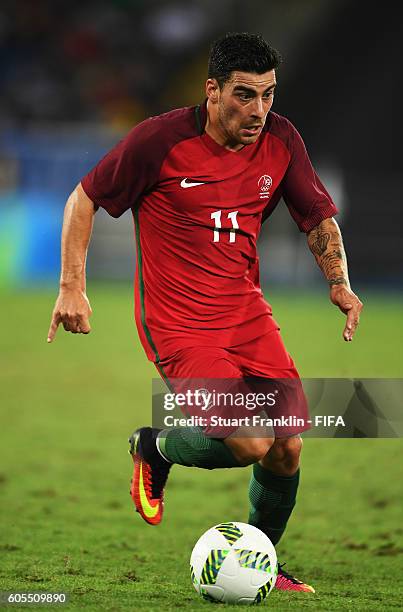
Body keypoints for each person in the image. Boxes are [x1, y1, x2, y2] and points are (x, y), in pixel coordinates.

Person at [48, 32, 363, 594]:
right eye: (245, 95)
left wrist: (339, 284)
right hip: (179, 324)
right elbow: (83, 199)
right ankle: (157, 445)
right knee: (248, 441)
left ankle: (265, 562)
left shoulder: (282, 140)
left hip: (247, 316)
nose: (259, 110)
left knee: (287, 444)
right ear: (212, 90)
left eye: (268, 95)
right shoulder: (159, 140)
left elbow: (316, 216)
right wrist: (72, 285)